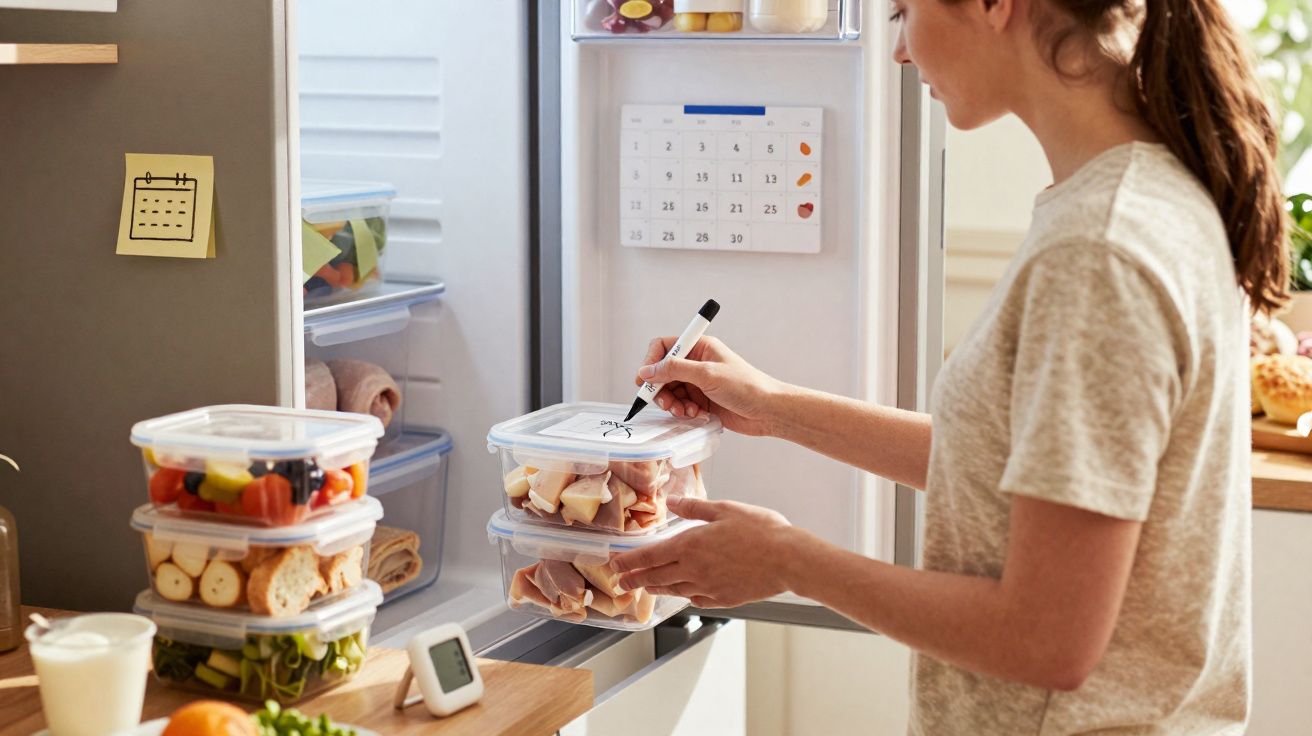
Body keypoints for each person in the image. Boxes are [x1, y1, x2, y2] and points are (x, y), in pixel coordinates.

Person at [609, 0, 1288, 731]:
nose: (898, 51)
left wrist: (786, 560)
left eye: (903, 12)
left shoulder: (1097, 253)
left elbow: (1047, 639)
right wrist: (774, 406)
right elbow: (1013, 469)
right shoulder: (1140, 197)